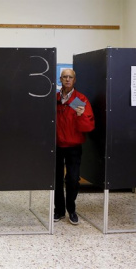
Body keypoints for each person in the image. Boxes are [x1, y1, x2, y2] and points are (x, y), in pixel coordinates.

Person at [55, 69, 95, 225]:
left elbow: (88, 127)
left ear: (74, 80)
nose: (67, 79)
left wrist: (80, 116)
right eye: (64, 77)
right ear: (60, 79)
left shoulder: (79, 99)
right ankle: (58, 210)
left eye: (70, 77)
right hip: (57, 146)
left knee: (72, 179)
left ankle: (71, 209)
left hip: (73, 147)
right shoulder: (56, 98)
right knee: (56, 179)